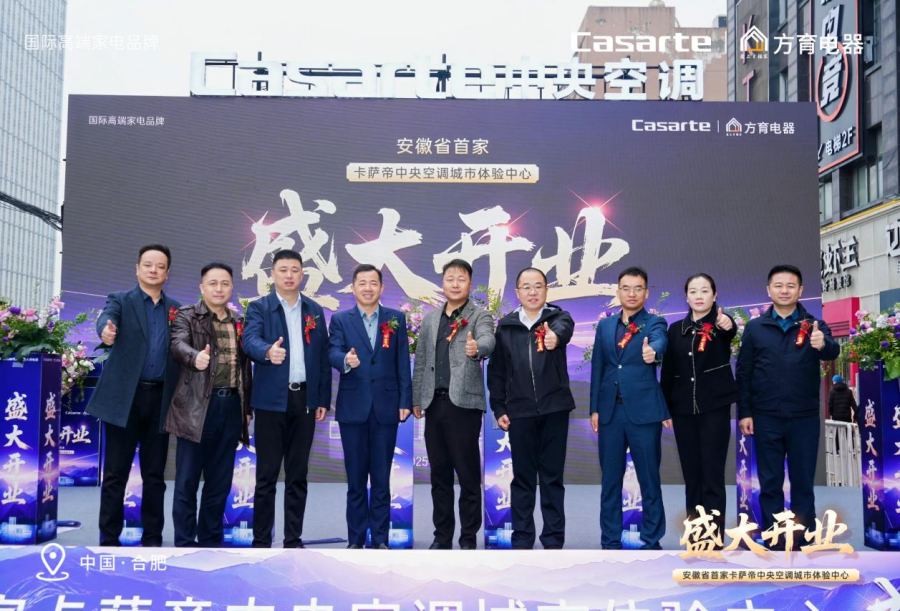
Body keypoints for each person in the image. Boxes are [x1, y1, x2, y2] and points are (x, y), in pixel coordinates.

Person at [736, 264, 840, 540]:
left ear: (800, 290)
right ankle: (773, 537)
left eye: (791, 286)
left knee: (803, 481)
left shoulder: (814, 325)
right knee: (770, 482)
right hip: (765, 416)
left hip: (803, 417)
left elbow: (832, 351)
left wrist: (822, 344)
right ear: (769, 290)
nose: (784, 290)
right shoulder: (755, 328)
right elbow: (744, 373)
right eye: (778, 285)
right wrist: (745, 412)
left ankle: (803, 537)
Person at [88, 244, 181, 547]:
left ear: (167, 273)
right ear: (137, 268)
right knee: (116, 474)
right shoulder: (121, 300)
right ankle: (109, 540)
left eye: (160, 266)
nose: (154, 270)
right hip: (124, 400)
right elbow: (107, 318)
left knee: (155, 475)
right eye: (148, 264)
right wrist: (106, 331)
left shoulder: (176, 309)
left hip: (160, 400)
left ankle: (152, 539)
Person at [241, 249, 332, 548]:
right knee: (266, 476)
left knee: (297, 475)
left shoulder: (314, 310)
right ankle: (261, 541)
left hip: (304, 400)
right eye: (283, 270)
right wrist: (267, 351)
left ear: (302, 274)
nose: (289, 275)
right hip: (270, 401)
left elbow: (322, 356)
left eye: (295, 270)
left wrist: (321, 398)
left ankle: (293, 539)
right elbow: (249, 340)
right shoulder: (260, 307)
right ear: (273, 274)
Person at [487, 267, 575, 549]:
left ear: (546, 290)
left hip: (555, 409)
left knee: (552, 478)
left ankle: (553, 540)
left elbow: (564, 330)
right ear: (517, 292)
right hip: (520, 411)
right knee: (523, 478)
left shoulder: (558, 318)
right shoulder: (506, 327)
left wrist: (555, 338)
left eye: (538, 286)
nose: (533, 291)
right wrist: (499, 407)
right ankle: (522, 539)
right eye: (526, 287)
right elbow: (497, 372)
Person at [167, 262, 253, 547]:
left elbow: (245, 369)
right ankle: (184, 542)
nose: (219, 288)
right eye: (213, 283)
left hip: (230, 408)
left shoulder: (238, 322)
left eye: (225, 283)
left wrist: (247, 408)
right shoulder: (187, 316)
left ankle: (211, 540)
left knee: (220, 481)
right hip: (196, 408)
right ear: (202, 287)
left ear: (231, 287)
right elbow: (177, 344)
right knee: (187, 481)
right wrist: (195, 357)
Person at [412, 258, 495, 550]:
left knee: (468, 475)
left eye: (461, 279)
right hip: (434, 404)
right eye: (450, 278)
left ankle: (468, 538)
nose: (455, 284)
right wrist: (417, 398)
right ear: (443, 283)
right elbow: (421, 361)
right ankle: (442, 537)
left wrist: (477, 348)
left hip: (464, 406)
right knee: (439, 475)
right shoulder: (431, 319)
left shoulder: (480, 315)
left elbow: (488, 340)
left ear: (470, 284)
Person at [327, 264, 412, 549]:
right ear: (353, 288)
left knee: (381, 480)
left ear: (381, 288)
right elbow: (332, 350)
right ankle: (355, 541)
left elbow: (402, 362)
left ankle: (381, 540)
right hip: (353, 408)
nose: (367, 288)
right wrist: (345, 360)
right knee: (355, 481)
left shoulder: (395, 318)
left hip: (386, 407)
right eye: (362, 283)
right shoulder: (341, 319)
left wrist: (405, 400)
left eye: (373, 283)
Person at [589, 266, 671, 550]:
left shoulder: (655, 322)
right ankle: (610, 539)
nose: (632, 293)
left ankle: (651, 539)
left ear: (646, 293)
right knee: (610, 480)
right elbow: (598, 367)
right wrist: (595, 409)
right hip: (610, 413)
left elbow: (660, 342)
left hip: (644, 413)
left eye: (638, 288)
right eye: (626, 288)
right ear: (618, 291)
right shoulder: (606, 326)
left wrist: (653, 351)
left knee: (649, 478)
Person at [660, 273, 736, 538]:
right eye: (693, 291)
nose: (699, 296)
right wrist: (665, 407)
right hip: (682, 411)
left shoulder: (721, 323)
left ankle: (713, 538)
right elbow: (668, 371)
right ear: (686, 297)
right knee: (692, 476)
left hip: (714, 409)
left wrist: (727, 323)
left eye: (705, 291)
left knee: (712, 475)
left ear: (714, 296)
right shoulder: (675, 329)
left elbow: (729, 330)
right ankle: (696, 536)